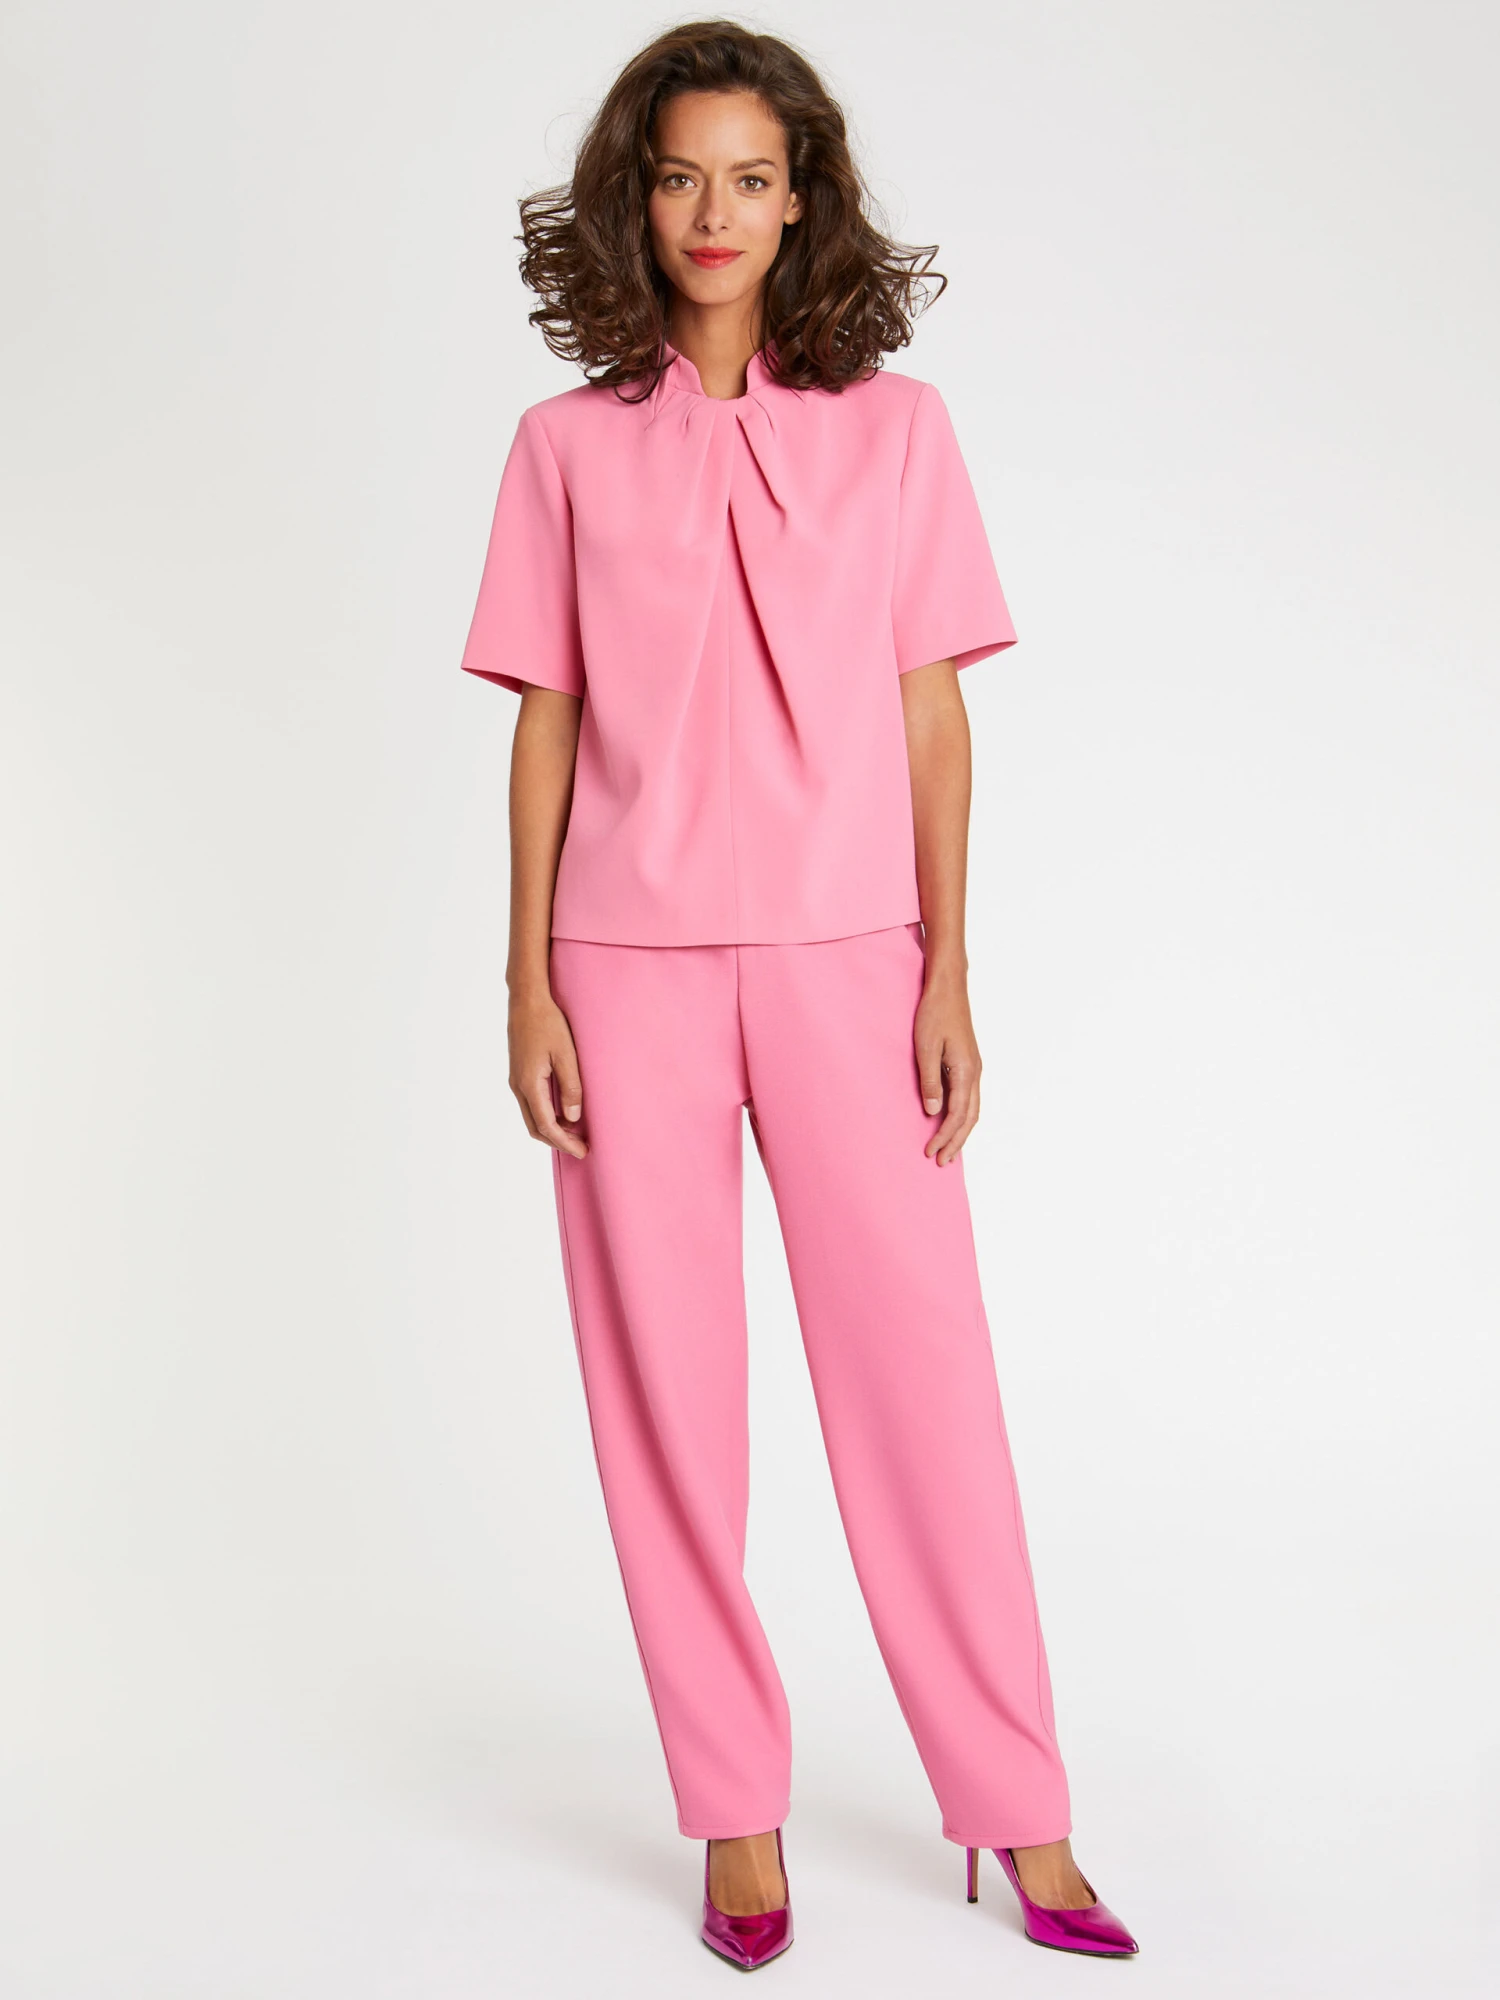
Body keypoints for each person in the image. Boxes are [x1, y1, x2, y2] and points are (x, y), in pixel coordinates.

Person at [458, 19, 1138, 1970]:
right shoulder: (562, 450)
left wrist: (950, 967)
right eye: (681, 174)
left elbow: (933, 719)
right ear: (636, 196)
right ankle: (734, 1816)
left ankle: (1018, 1802)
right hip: (625, 971)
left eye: (751, 177)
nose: (715, 212)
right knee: (668, 1408)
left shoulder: (897, 431)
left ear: (801, 198)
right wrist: (525, 983)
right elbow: (544, 722)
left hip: (854, 966)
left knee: (926, 1387)